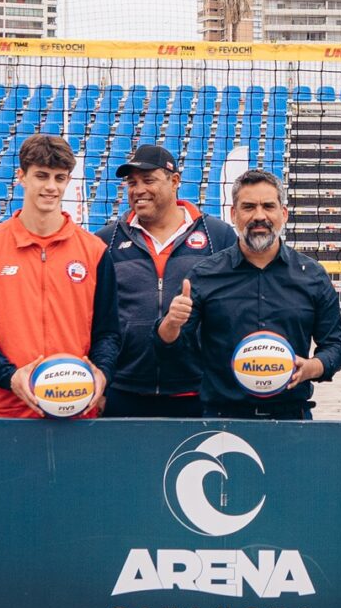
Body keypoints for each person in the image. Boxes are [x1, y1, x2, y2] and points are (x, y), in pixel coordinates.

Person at [154, 170, 341, 420]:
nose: (259, 216)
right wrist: (170, 324)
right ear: (234, 214)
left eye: (268, 206)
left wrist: (312, 367)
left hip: (291, 417)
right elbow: (169, 351)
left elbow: (336, 347)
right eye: (248, 207)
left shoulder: (312, 275)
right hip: (223, 417)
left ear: (283, 214)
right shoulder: (204, 275)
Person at [0, 133, 119, 418]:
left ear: (68, 181)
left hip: (76, 406)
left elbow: (108, 332)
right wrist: (10, 377)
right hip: (5, 409)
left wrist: (102, 372)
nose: (51, 187)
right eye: (41, 176)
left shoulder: (94, 251)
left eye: (59, 178)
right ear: (21, 177)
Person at [96, 142, 238, 418]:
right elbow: (95, 319)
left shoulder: (217, 235)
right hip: (123, 390)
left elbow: (233, 313)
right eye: (132, 183)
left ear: (174, 181)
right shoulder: (106, 240)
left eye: (148, 180)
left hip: (198, 392)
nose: (138, 189)